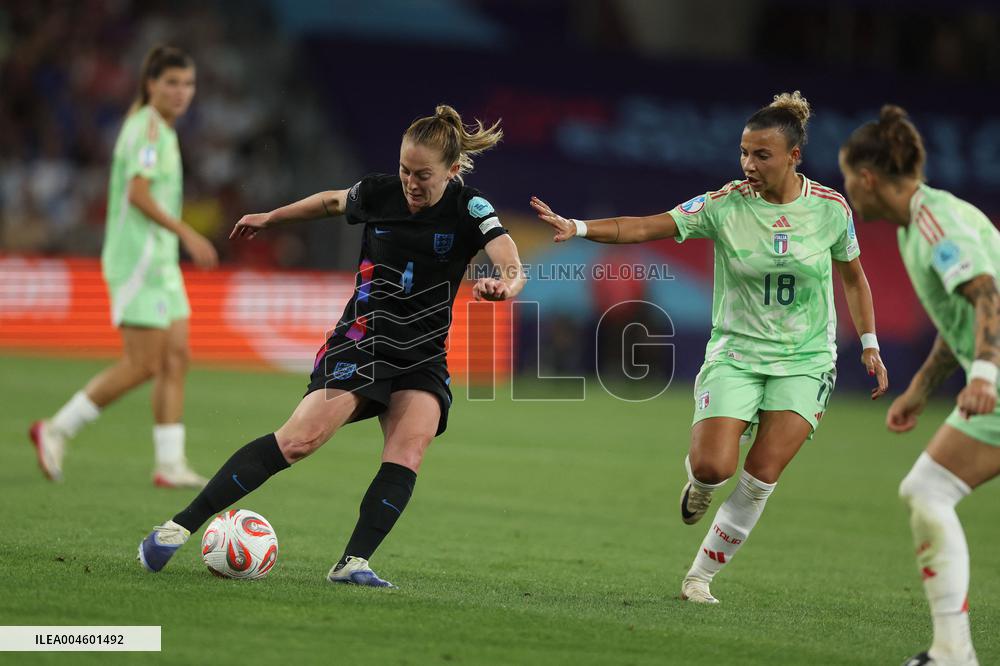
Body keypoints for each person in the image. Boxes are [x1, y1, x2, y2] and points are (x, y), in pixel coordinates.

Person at [137, 104, 525, 587]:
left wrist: (507, 284)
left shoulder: (471, 208)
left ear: (451, 170)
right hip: (362, 340)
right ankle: (176, 528)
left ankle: (353, 562)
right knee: (300, 440)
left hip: (422, 352)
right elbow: (328, 202)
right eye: (405, 170)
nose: (410, 182)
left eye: (423, 174)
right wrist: (271, 218)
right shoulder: (379, 192)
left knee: (411, 448)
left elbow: (507, 253)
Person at [532, 91, 889, 604]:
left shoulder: (831, 209)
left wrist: (870, 344)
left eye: (761, 155)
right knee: (713, 468)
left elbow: (854, 278)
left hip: (806, 360)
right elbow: (651, 224)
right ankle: (699, 484)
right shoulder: (723, 205)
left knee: (761, 473)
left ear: (793, 157)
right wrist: (580, 228)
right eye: (744, 152)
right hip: (737, 354)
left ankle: (698, 578)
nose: (748, 164)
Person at [841, 105, 998, 666]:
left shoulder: (935, 221)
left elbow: (986, 294)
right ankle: (951, 651)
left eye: (845, 178)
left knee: (928, 490)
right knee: (927, 489)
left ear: (867, 178)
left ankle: (954, 653)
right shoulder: (915, 228)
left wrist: (983, 374)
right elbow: (959, 321)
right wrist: (922, 389)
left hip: (997, 380)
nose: (847, 193)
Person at [29, 45, 218, 488]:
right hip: (138, 260)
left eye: (188, 84)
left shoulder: (164, 131)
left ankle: (169, 463)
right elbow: (137, 193)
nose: (181, 92)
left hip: (161, 262)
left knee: (177, 357)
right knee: (143, 363)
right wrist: (187, 232)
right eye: (172, 82)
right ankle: (57, 428)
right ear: (150, 84)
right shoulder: (147, 130)